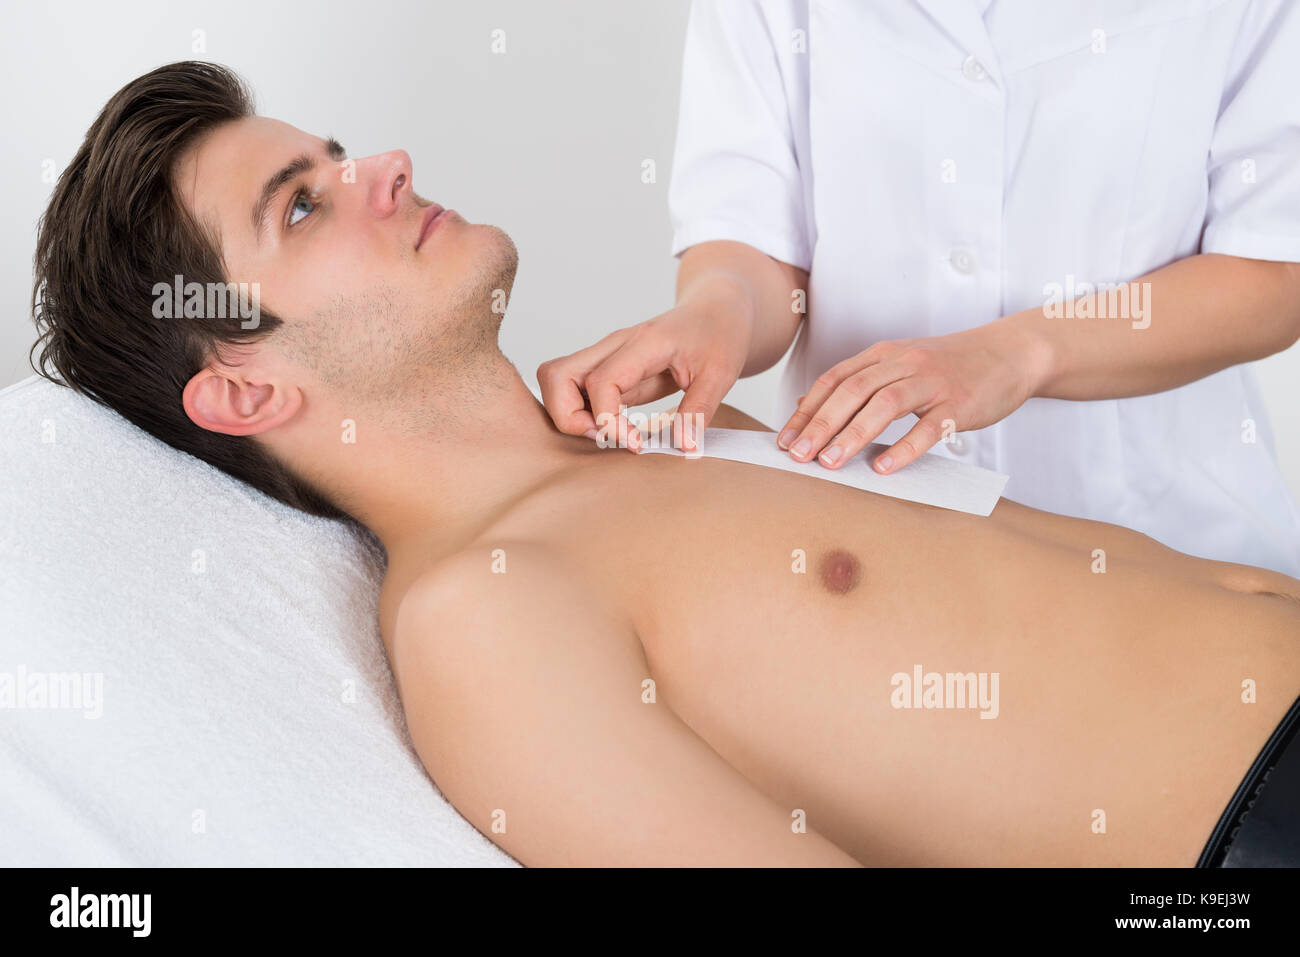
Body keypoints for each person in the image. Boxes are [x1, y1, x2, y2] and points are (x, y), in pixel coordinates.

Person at [29, 62, 1300, 867]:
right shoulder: (486, 611)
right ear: (244, 387)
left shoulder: (666, 431)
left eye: (337, 154)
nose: (385, 169)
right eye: (301, 206)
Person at [537, 0, 1300, 578]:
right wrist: (717, 310)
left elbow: (1273, 273)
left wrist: (1017, 355)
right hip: (875, 553)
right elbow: (755, 240)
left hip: (1174, 547)